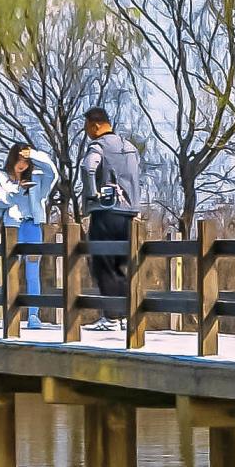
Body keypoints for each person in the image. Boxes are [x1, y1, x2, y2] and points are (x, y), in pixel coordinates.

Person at [76, 106, 145, 329]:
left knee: (102, 264)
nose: (87, 131)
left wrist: (92, 195)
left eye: (87, 126)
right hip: (129, 214)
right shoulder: (130, 148)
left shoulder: (98, 146)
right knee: (121, 265)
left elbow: (88, 168)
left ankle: (113, 316)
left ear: (96, 125)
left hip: (106, 211)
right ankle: (127, 315)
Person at [0, 139, 58, 306]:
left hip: (33, 225)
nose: (22, 164)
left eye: (26, 161)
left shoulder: (38, 178)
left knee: (33, 270)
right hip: (13, 226)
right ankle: (10, 312)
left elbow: (53, 173)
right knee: (12, 269)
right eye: (19, 159)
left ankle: (34, 314)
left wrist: (33, 155)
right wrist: (18, 190)